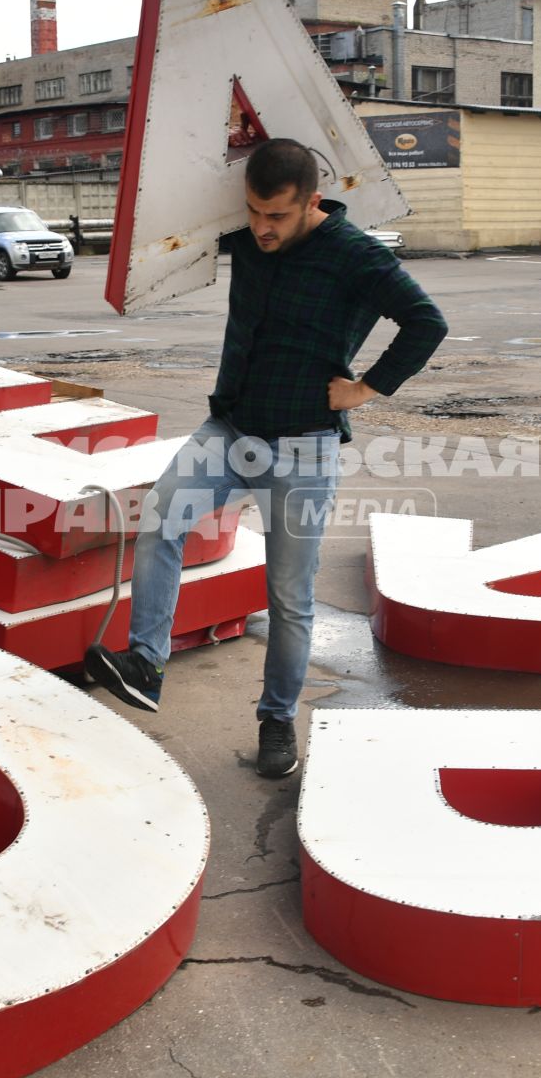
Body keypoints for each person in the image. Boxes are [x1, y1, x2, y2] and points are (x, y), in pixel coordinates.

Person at [86, 138, 447, 778]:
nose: (261, 228)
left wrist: (367, 388)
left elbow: (426, 320)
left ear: (312, 202)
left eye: (275, 216)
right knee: (160, 519)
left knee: (288, 597)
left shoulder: (353, 255)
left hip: (304, 447)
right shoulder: (250, 237)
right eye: (253, 212)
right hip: (229, 427)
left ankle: (276, 721)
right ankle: (147, 662)